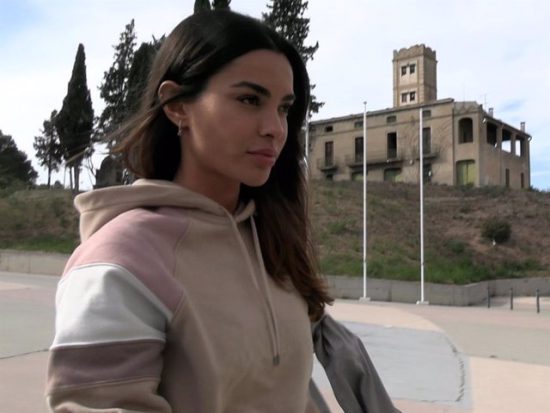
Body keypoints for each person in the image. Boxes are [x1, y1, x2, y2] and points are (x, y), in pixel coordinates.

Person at [46, 10, 400, 413]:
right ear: (177, 105)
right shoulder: (120, 261)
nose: (275, 128)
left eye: (283, 108)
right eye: (249, 100)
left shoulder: (271, 245)